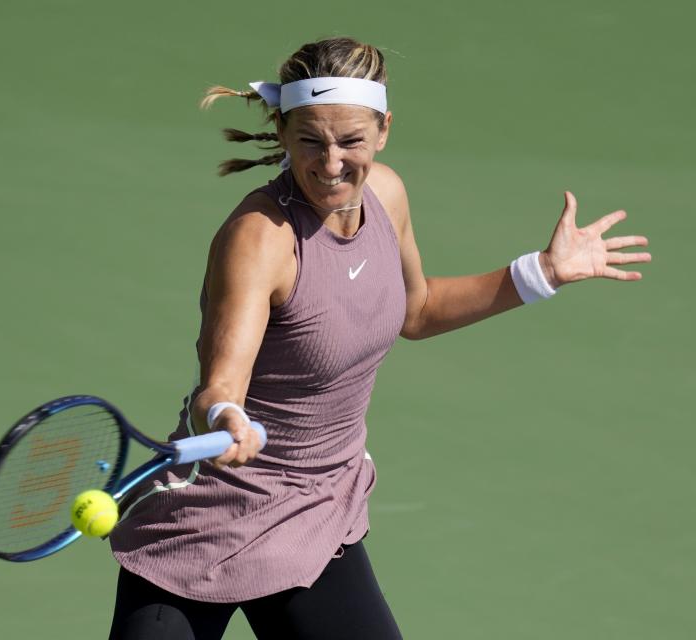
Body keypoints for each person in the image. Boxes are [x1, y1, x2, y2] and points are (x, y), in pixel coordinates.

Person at [107, 37, 651, 640]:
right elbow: (220, 382)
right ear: (283, 132)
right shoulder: (259, 239)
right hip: (208, 521)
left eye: (351, 141)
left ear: (384, 129)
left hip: (316, 514)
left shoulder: (386, 195)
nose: (331, 163)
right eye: (310, 140)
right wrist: (226, 414)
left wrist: (540, 273)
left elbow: (415, 310)